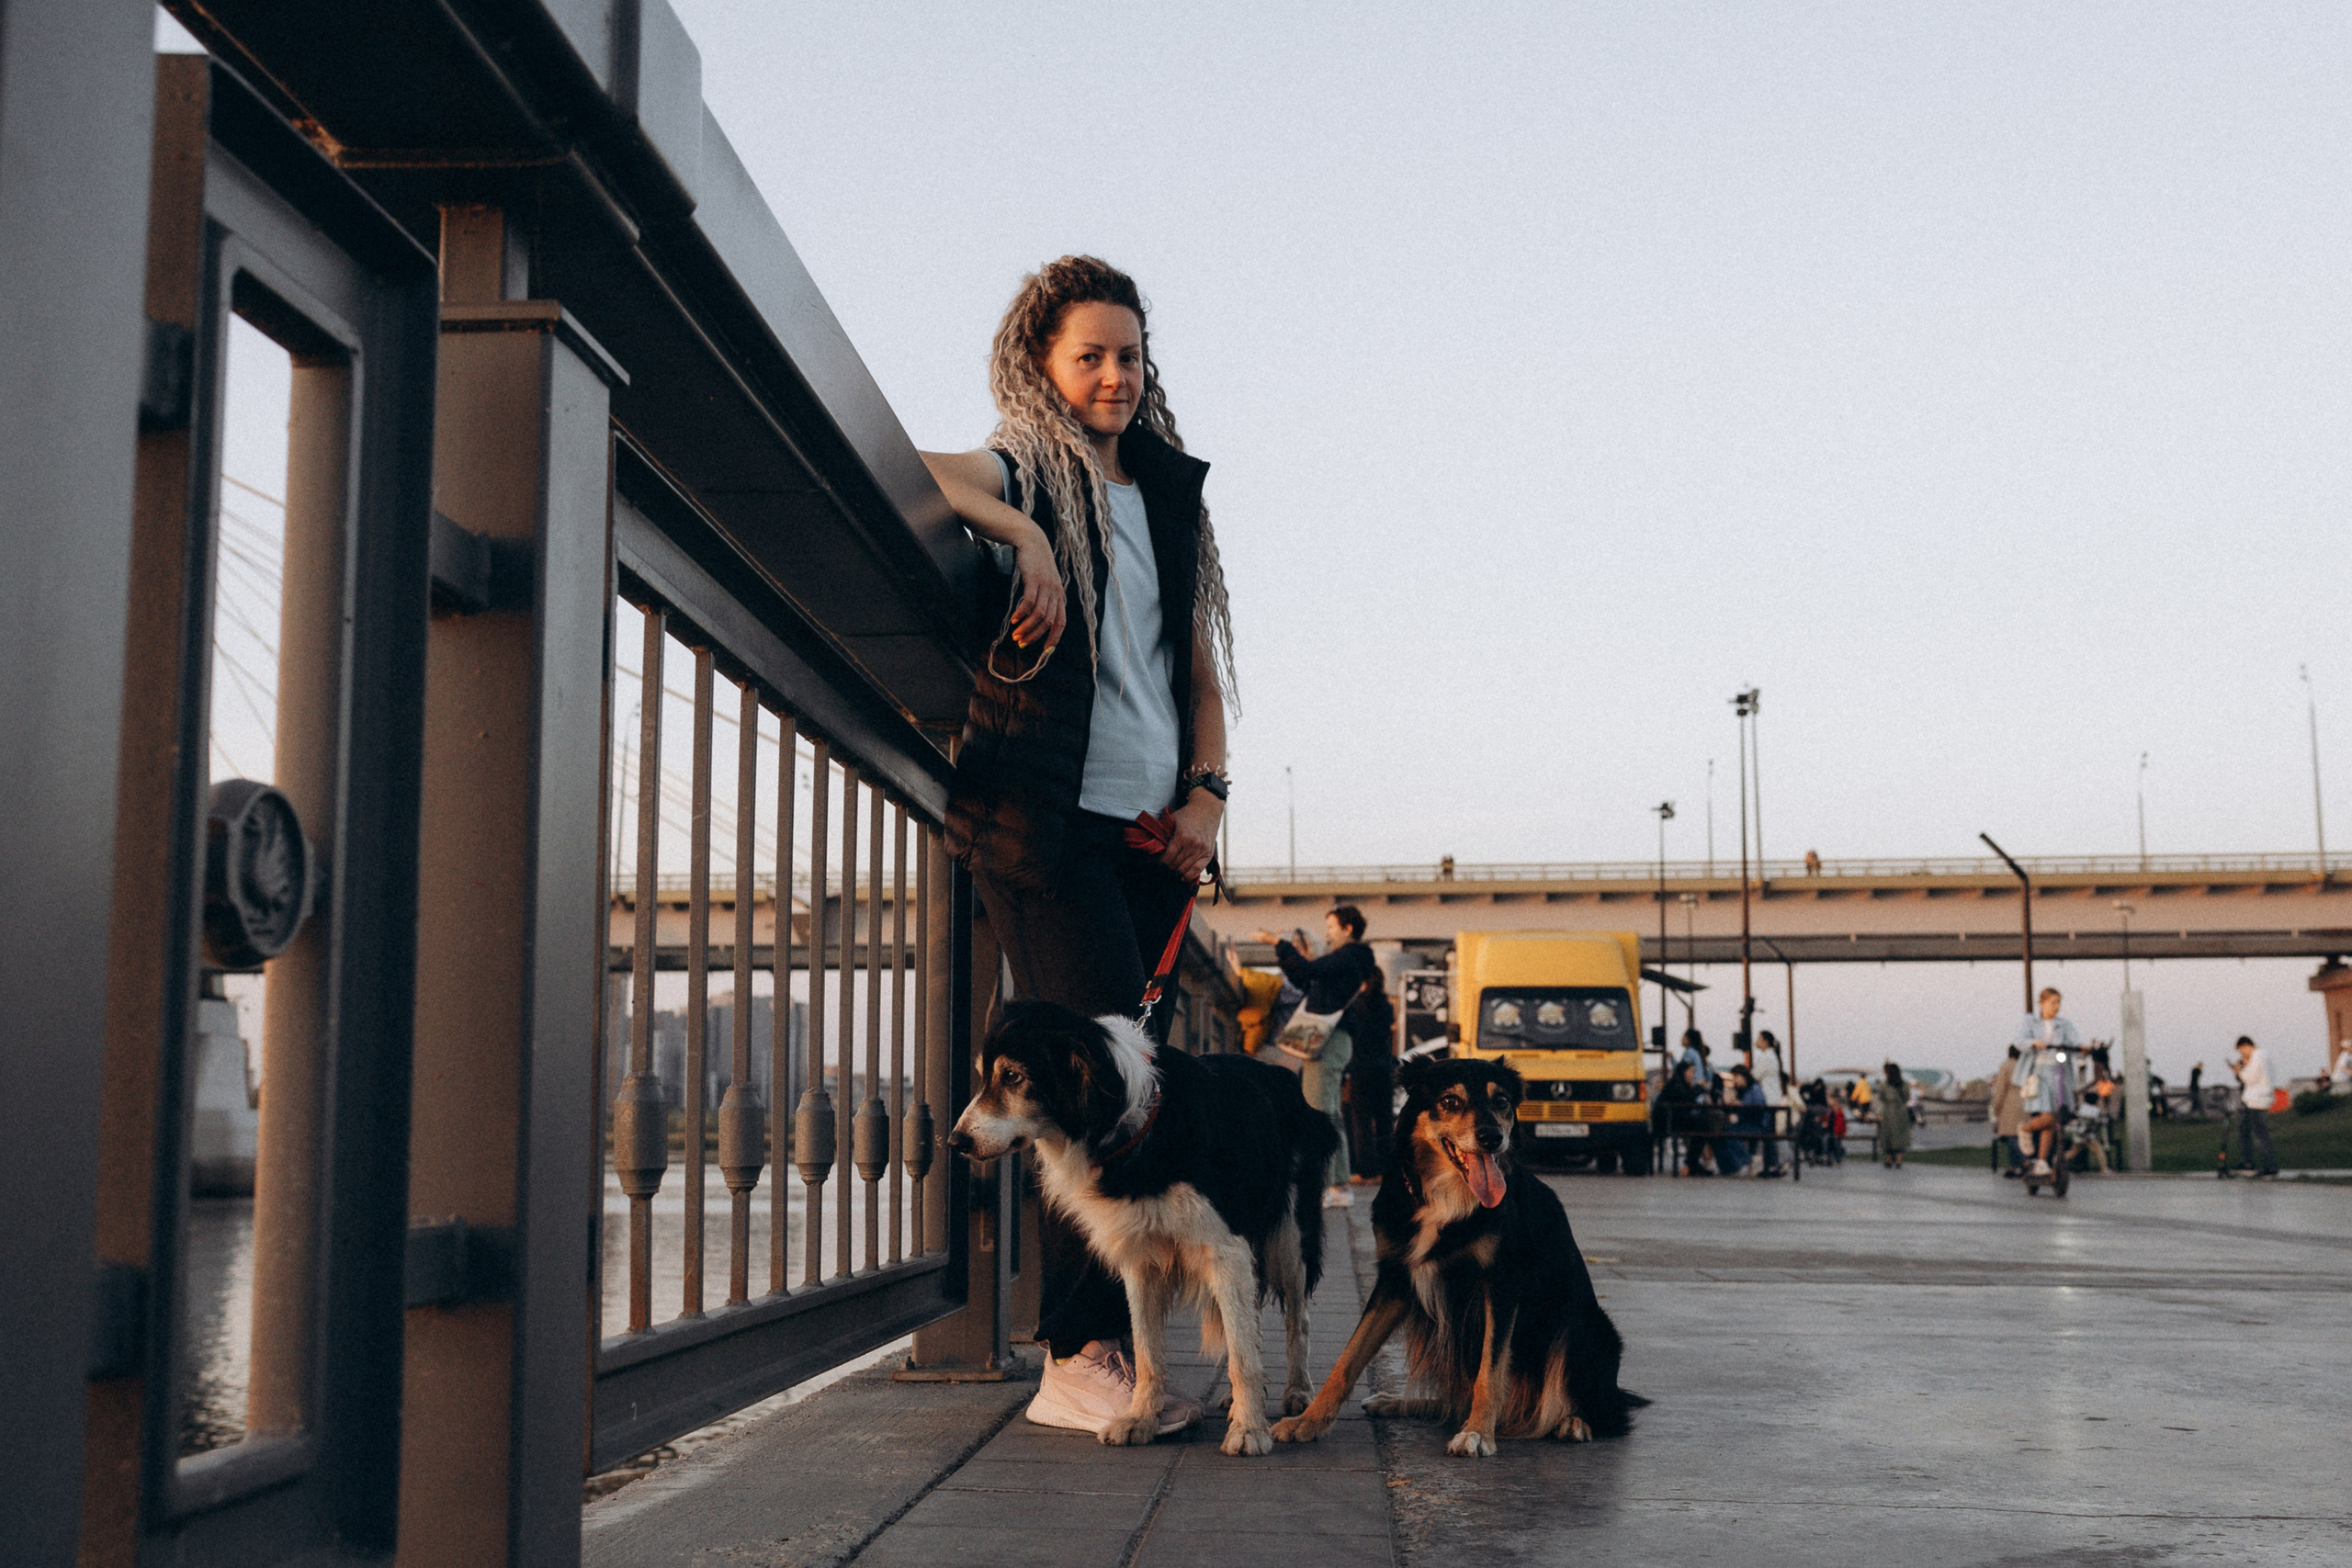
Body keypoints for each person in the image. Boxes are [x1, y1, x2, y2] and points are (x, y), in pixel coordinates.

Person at [927, 255, 1237, 1438]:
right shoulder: (1025, 460)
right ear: (1042, 364)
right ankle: (1072, 1352)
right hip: (1040, 821)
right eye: (1089, 355)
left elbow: (1197, 673)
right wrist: (1028, 536)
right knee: (1092, 1076)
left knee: (1125, 1084)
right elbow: (913, 472)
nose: (1114, 375)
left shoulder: (1165, 492)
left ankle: (1111, 1342)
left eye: (1129, 354)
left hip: (1152, 831)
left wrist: (1206, 798)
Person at [1253, 907, 1377, 1207]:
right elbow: (1303, 978)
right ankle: (1336, 1186)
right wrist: (1285, 953)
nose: (1327, 932)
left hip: (1329, 1039)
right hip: (1328, 1039)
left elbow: (1308, 971)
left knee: (1319, 1110)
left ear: (1348, 928)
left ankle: (1330, 1186)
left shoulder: (1352, 954)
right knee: (1327, 1112)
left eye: (1332, 926)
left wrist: (1277, 943)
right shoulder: (1348, 958)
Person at [2012, 988, 2082, 1179]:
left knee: (2053, 1120)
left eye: (2059, 1002)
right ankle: (2025, 1128)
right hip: (2039, 1073)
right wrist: (2034, 1043)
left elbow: (2075, 1042)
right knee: (2048, 1115)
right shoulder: (2030, 1021)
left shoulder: (2064, 1024)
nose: (2056, 1007)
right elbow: (2019, 1041)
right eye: (2053, 1002)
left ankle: (2042, 1161)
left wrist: (2082, 1048)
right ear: (2042, 1002)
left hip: (2058, 1073)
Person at [1341, 965, 1396, 1179]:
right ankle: (1386, 1167)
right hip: (1384, 1068)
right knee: (1384, 1120)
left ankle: (1366, 1169)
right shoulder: (1387, 1007)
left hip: (1360, 1069)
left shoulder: (1355, 1007)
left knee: (1360, 1121)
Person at [2227, 1035, 2278, 1178]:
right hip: (2257, 1098)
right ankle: (2249, 1162)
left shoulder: (2258, 1057)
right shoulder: (2264, 1056)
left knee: (2259, 1133)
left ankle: (2268, 1166)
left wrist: (2239, 1071)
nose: (2242, 1055)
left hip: (2256, 1100)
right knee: (2245, 1130)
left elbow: (2250, 1078)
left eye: (2241, 1051)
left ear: (2245, 1046)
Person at [1990, 1043, 2025, 1175]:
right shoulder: (2025, 1065)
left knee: (2011, 1136)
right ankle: (2014, 1166)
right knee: (2022, 1136)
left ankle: (2024, 1162)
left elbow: (2001, 1089)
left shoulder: (2006, 1066)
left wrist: (1996, 1108)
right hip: (2026, 1102)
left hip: (2010, 1103)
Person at [1877, 1061, 1913, 1168]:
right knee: (1901, 1135)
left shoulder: (1884, 1084)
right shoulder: (1904, 1084)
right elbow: (1907, 1097)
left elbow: (1881, 1097)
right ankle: (1898, 1161)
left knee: (1888, 1135)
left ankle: (1889, 1160)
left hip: (1889, 1111)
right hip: (1901, 1111)